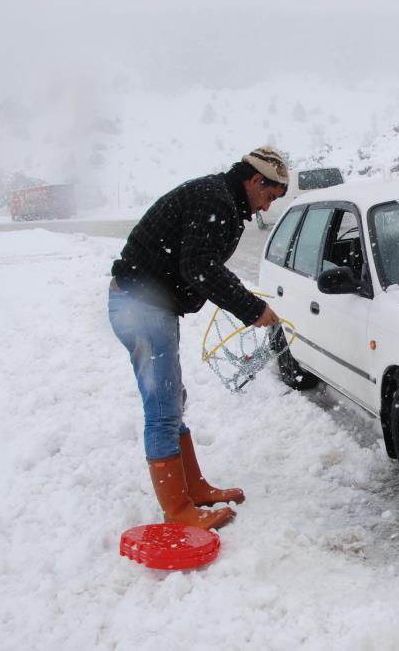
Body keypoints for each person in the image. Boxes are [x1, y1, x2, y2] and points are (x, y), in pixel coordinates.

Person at [108, 146, 288, 530]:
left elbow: (198, 263)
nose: (265, 208)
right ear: (255, 181)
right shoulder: (216, 201)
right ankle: (178, 512)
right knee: (162, 409)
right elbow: (199, 267)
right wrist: (252, 309)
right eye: (268, 197)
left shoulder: (218, 197)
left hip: (148, 304)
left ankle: (195, 489)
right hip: (140, 306)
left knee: (172, 400)